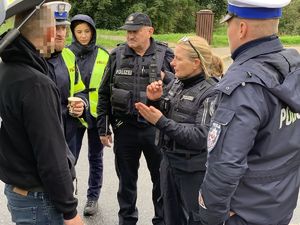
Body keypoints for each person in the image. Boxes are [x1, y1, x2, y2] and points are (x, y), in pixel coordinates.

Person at [198, 0, 300, 225]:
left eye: (229, 24)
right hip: (279, 207)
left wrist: (211, 217)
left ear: (241, 28)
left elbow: (225, 165)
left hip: (243, 215)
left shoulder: (243, 84)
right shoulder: (293, 68)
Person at [0, 1, 84, 225]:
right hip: (39, 198)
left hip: (19, 189)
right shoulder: (35, 83)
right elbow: (50, 155)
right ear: (49, 32)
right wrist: (70, 212)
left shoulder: (8, 68)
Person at [97, 12, 174, 225]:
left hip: (156, 130)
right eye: (128, 32)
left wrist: (165, 82)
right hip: (125, 129)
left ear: (149, 31)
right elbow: (104, 93)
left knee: (161, 182)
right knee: (126, 183)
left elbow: (179, 88)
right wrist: (103, 128)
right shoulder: (117, 55)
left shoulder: (165, 55)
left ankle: (162, 220)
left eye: (135, 31)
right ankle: (127, 221)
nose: (130, 36)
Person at [135, 36, 218, 225]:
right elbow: (166, 112)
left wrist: (162, 121)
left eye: (178, 59)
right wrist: (154, 100)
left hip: (193, 171)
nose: (172, 63)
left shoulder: (212, 92)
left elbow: (202, 136)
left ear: (196, 63)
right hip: (169, 163)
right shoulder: (178, 82)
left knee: (196, 219)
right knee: (169, 216)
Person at [68, 14, 109, 216]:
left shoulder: (103, 54)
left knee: (96, 158)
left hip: (96, 115)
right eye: (79, 32)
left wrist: (107, 121)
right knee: (69, 158)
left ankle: (92, 197)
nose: (83, 35)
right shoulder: (65, 54)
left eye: (87, 31)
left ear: (93, 31)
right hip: (73, 116)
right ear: (73, 33)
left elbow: (109, 88)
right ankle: (67, 196)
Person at [46, 1, 87, 155]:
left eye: (63, 28)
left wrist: (81, 105)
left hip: (67, 138)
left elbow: (79, 90)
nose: (61, 33)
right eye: (55, 28)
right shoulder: (30, 59)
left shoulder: (69, 55)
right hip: (42, 141)